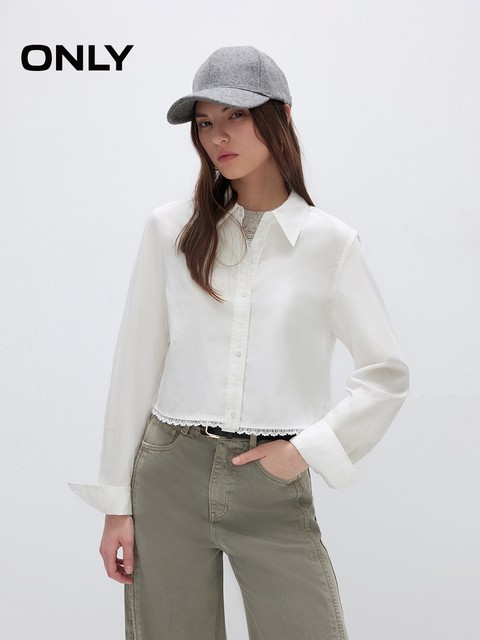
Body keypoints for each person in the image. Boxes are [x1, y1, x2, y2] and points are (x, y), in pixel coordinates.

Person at [69, 45, 409, 640]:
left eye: (236, 116)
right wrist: (116, 507)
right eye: (205, 122)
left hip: (270, 481)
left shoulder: (330, 244)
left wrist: (304, 451)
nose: (218, 136)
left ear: (281, 117)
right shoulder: (170, 231)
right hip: (168, 474)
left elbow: (385, 374)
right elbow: (135, 369)